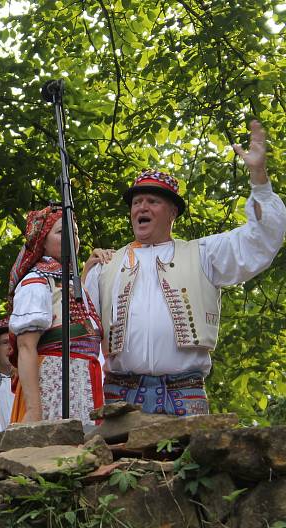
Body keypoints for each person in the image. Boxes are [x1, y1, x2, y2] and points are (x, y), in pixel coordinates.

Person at [83, 120, 286, 415]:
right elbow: (81, 334)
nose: (142, 208)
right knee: (120, 463)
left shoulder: (202, 254)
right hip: (119, 395)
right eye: (137, 202)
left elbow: (260, 240)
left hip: (184, 392)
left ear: (172, 213)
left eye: (152, 201)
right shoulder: (106, 265)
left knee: (190, 462)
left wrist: (258, 178)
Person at [8, 206, 104, 424]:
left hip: (83, 383)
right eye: (62, 232)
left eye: (76, 232)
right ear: (42, 240)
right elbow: (25, 347)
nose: (72, 238)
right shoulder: (36, 282)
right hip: (54, 387)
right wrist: (33, 410)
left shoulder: (70, 281)